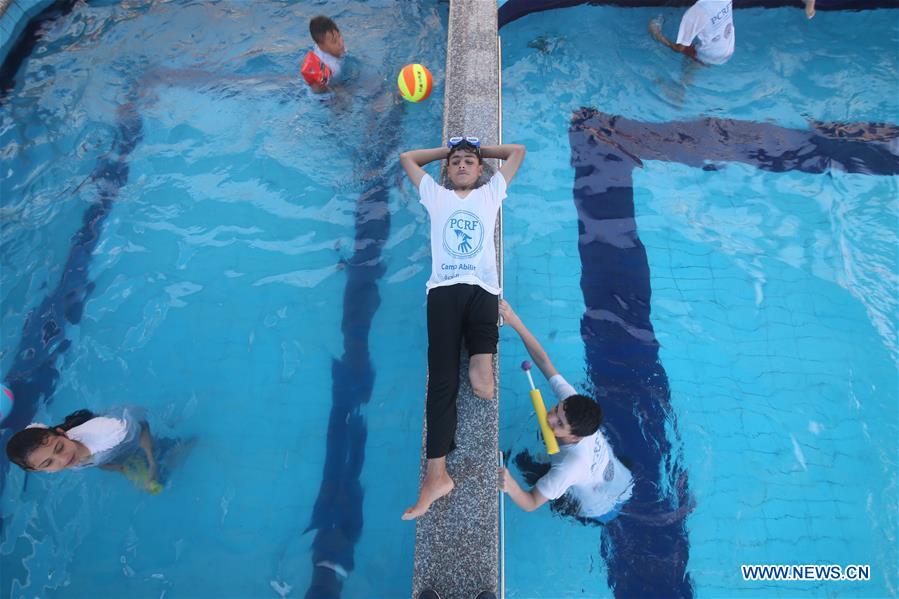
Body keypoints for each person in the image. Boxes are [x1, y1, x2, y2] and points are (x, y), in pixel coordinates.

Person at [399, 137, 526, 520]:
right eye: (456, 162)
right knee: (441, 383)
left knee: (483, 386)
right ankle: (436, 476)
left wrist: (478, 148)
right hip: (443, 294)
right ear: (446, 171)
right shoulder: (436, 196)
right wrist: (447, 149)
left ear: (480, 169)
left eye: (469, 162)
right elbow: (407, 157)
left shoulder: (490, 194)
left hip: (485, 292)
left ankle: (478, 361)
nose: (462, 166)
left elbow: (517, 153)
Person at [499, 300, 633, 523]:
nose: (550, 418)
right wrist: (514, 320)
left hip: (600, 506)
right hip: (624, 479)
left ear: (577, 435)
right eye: (556, 410)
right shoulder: (572, 403)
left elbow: (531, 503)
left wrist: (511, 486)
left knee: (525, 468)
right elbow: (543, 361)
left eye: (559, 423)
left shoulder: (568, 467)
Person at [6, 406, 161, 492]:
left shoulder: (114, 431)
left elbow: (143, 427)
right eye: (48, 463)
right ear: (37, 469)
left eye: (59, 448)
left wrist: (151, 460)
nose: (63, 458)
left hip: (130, 430)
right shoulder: (58, 455)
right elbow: (98, 463)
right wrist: (124, 471)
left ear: (63, 434)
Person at [649, 0, 735, 66]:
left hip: (708, 55)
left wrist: (657, 34)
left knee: (683, 79)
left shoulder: (694, 13)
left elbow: (679, 49)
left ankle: (678, 86)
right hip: (729, 48)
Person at [300, 16, 347, 92]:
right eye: (334, 41)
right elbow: (318, 88)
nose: (340, 43)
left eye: (339, 36)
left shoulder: (326, 44)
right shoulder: (331, 67)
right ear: (321, 47)